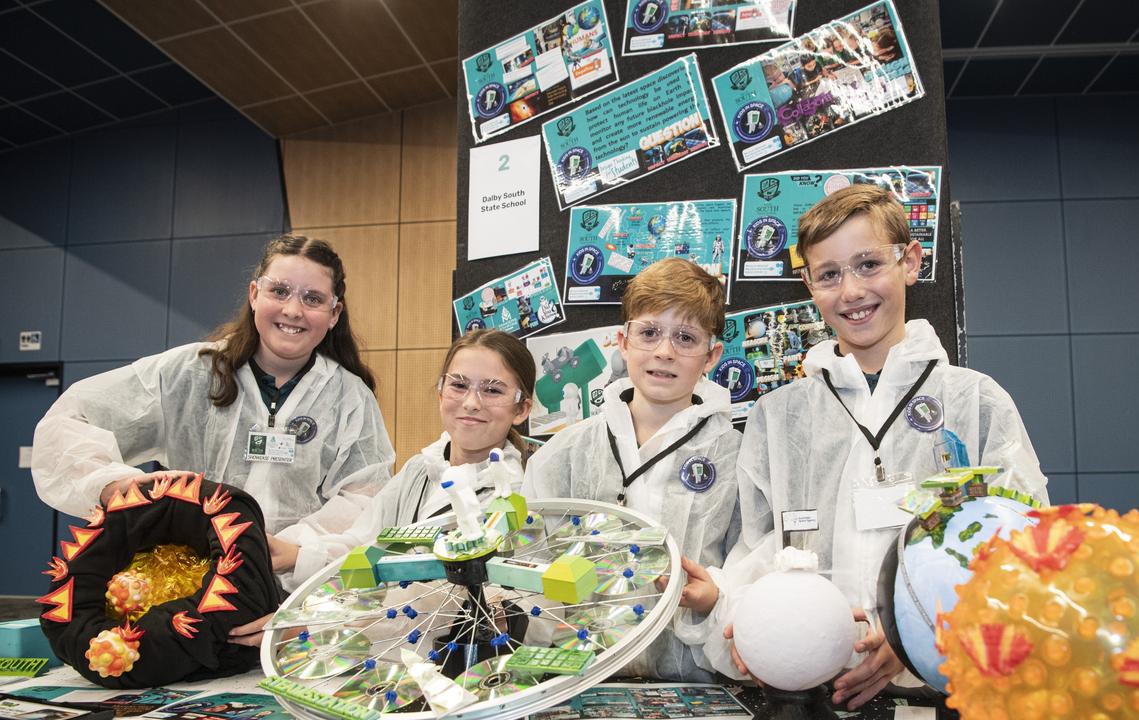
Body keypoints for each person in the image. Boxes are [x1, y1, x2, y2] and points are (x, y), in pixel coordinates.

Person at [684, 185, 1049, 708]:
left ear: (911, 261)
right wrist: (746, 619)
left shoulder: (974, 402)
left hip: (940, 692)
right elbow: (757, 549)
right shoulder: (779, 416)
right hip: (810, 693)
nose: (851, 291)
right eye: (829, 274)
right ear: (809, 284)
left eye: (869, 264)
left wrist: (916, 639)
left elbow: (1022, 550)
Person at [31, 235, 395, 590]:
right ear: (255, 295)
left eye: (312, 298)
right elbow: (70, 420)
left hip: (294, 593)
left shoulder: (349, 397)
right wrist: (112, 484)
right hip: (186, 584)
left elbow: (365, 500)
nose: (293, 310)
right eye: (279, 291)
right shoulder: (187, 373)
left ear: (334, 313)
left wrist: (295, 550)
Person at [228, 329, 533, 647]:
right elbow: (367, 546)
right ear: (441, 391)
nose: (471, 403)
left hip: (450, 665)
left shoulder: (517, 495)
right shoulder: (420, 469)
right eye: (458, 385)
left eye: (493, 390)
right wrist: (294, 555)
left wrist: (319, 626)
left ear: (522, 408)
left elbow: (438, 602)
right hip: (383, 655)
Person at [523, 258, 742, 682]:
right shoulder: (566, 451)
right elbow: (531, 562)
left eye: (685, 337)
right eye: (649, 333)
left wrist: (718, 596)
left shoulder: (735, 455)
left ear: (711, 355)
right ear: (622, 343)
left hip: (693, 680)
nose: (664, 351)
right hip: (580, 678)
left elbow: (749, 564)